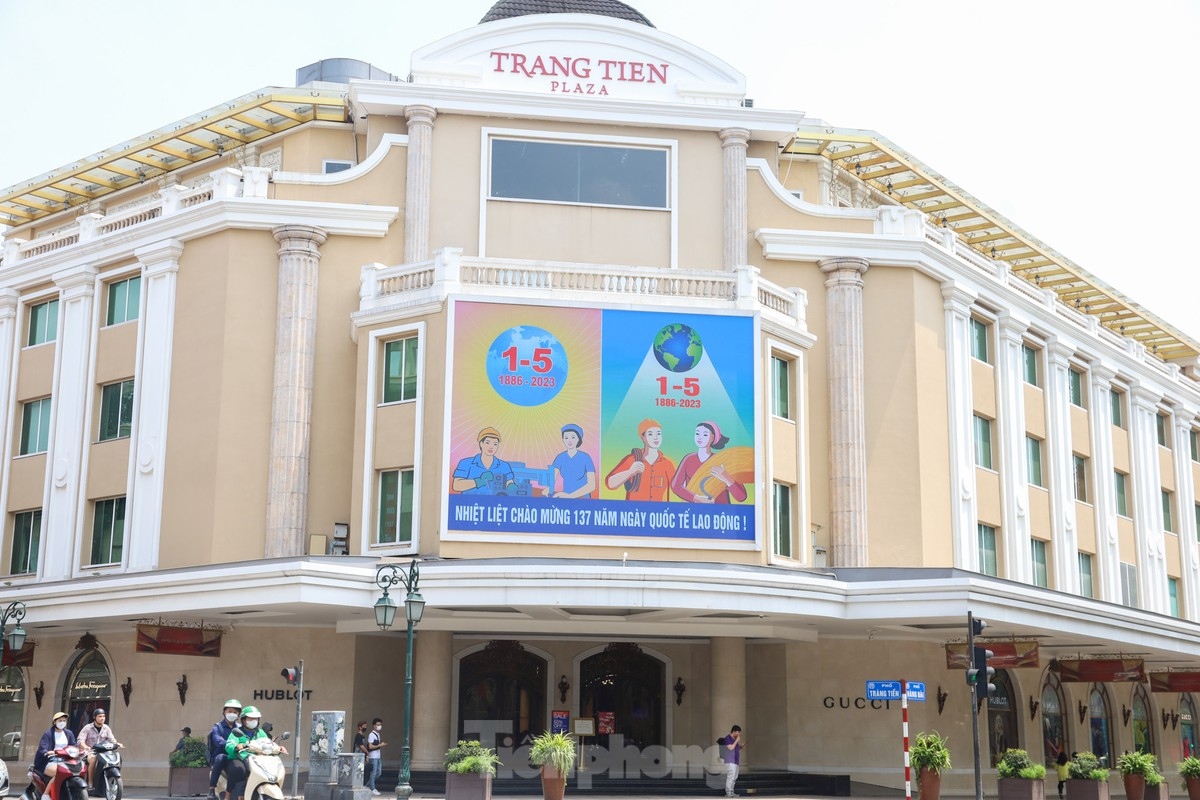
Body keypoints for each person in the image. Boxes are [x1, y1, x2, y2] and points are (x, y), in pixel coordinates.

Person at [671, 421, 747, 504]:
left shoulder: (722, 460)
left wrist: (727, 479)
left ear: (712, 438)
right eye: (697, 434)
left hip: (721, 513)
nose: (700, 438)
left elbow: (741, 497)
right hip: (695, 511)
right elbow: (676, 486)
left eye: (705, 435)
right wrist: (696, 498)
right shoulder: (688, 459)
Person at [605, 418, 676, 501]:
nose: (656, 438)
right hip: (635, 511)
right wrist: (630, 472)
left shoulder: (667, 463)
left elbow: (678, 487)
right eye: (650, 434)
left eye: (658, 434)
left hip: (659, 512)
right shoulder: (631, 459)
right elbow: (610, 483)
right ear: (642, 438)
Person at [225, 706, 281, 800]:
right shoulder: (237, 732)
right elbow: (229, 744)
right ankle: (237, 795)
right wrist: (236, 746)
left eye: (255, 718)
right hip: (240, 757)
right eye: (250, 718)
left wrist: (278, 748)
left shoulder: (261, 733)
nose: (253, 720)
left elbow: (268, 744)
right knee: (240, 770)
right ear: (243, 719)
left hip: (257, 759)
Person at [452, 427, 516, 494]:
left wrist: (511, 486)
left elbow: (509, 482)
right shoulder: (465, 463)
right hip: (470, 503)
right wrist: (480, 481)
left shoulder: (504, 466)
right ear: (481, 444)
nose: (491, 447)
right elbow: (456, 486)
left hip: (496, 503)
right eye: (487, 443)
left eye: (495, 444)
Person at [32, 711, 77, 798]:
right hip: (51, 761)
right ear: (54, 722)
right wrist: (47, 752)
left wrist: (80, 750)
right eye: (60, 721)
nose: (62, 722)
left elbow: (74, 745)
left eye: (64, 720)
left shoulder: (68, 733)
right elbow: (42, 747)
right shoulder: (48, 733)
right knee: (59, 773)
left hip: (66, 760)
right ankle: (45, 795)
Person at [544, 424, 596, 498]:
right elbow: (552, 479)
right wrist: (548, 489)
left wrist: (571, 496)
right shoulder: (560, 458)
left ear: (578, 439)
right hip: (566, 498)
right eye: (566, 438)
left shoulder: (586, 458)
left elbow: (591, 485)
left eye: (573, 437)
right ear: (563, 439)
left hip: (582, 498)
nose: (569, 440)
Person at [77, 708, 123, 786]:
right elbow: (80, 740)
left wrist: (117, 743)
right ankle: (90, 783)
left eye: (103, 716)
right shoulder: (88, 728)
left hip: (103, 751)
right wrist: (85, 746)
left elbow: (112, 739)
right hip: (90, 752)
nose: (102, 718)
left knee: (116, 757)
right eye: (100, 716)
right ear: (95, 717)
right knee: (93, 759)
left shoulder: (106, 728)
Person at [207, 699, 242, 800]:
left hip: (236, 755)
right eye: (229, 711)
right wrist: (233, 745)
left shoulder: (240, 728)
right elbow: (218, 742)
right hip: (222, 756)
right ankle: (212, 789)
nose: (232, 714)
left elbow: (245, 739)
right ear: (224, 712)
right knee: (220, 757)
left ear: (238, 714)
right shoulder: (217, 727)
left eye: (235, 712)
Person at [718, 724, 745, 798]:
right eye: (738, 732)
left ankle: (731, 791)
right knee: (731, 776)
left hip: (735, 761)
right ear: (734, 731)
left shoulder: (734, 739)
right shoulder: (728, 738)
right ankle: (728, 792)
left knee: (734, 777)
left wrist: (740, 747)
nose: (739, 734)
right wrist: (736, 741)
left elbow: (735, 749)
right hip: (730, 761)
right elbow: (730, 748)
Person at [365, 718, 387, 796]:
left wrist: (379, 745)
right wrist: (379, 745)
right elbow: (370, 747)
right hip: (373, 757)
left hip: (378, 756)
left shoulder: (378, 734)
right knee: (373, 773)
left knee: (378, 773)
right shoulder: (371, 735)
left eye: (380, 725)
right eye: (378, 725)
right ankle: (372, 788)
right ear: (374, 725)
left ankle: (366, 787)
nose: (379, 726)